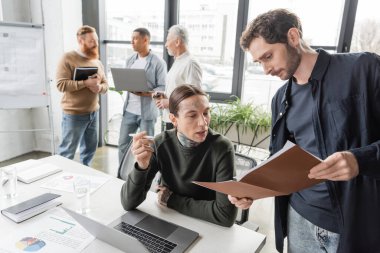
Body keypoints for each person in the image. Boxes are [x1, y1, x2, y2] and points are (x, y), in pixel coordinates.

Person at [228, 8, 380, 253]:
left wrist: (360, 160)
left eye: (268, 56)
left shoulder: (363, 69)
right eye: (259, 62)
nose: (265, 69)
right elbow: (279, 161)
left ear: (293, 37)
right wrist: (250, 189)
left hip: (355, 224)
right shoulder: (280, 99)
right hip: (299, 219)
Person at [121, 85, 237, 227]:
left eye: (206, 113)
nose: (203, 123)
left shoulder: (222, 148)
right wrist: (141, 166)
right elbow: (128, 203)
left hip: (208, 226)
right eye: (192, 115)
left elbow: (225, 215)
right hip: (169, 219)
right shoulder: (161, 143)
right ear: (174, 120)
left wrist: (172, 200)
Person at [56, 25, 108, 166]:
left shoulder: (97, 61)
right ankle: (61, 181)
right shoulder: (68, 58)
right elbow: (61, 85)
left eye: (96, 40)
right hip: (74, 115)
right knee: (67, 152)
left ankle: (85, 178)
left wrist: (99, 87)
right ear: (81, 41)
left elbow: (106, 85)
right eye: (91, 41)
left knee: (89, 151)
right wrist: (85, 83)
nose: (95, 44)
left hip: (93, 113)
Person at [118, 28, 167, 162]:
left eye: (135, 38)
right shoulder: (130, 60)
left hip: (147, 113)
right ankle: (121, 175)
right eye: (131, 38)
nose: (131, 42)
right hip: (129, 110)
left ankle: (144, 176)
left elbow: (163, 87)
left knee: (146, 147)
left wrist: (146, 93)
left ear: (145, 40)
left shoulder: (158, 62)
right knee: (123, 144)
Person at [154, 25, 203, 130]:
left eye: (168, 40)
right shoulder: (178, 61)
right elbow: (179, 89)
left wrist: (169, 103)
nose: (166, 45)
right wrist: (165, 95)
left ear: (177, 42)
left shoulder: (190, 63)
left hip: (181, 121)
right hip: (171, 118)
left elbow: (195, 97)